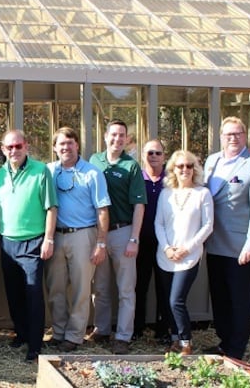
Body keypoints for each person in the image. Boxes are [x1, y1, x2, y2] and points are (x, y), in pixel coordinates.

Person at [203, 116, 250, 360]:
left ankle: (236, 350)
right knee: (220, 297)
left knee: (238, 301)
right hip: (213, 244)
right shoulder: (212, 161)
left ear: (244, 136)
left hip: (239, 248)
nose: (233, 138)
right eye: (228, 134)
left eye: (237, 133)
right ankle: (224, 343)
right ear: (221, 137)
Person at [0, 130, 57, 362]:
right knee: (14, 293)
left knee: (33, 293)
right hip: (8, 242)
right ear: (3, 149)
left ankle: (35, 344)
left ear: (26, 146)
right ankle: (21, 334)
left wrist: (48, 239)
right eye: (9, 147)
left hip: (34, 242)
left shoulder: (41, 171)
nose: (14, 151)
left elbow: (51, 207)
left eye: (18, 146)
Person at [45, 127, 110, 352]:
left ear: (77, 145)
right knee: (55, 288)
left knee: (81, 289)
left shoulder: (92, 173)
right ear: (55, 148)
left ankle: (74, 336)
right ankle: (58, 332)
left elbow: (103, 210)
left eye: (70, 143)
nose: (66, 148)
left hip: (83, 235)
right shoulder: (49, 171)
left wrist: (101, 243)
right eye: (61, 144)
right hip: (56, 236)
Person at [89, 119, 147, 355]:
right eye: (113, 134)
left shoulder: (131, 166)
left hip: (123, 232)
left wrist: (134, 238)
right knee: (100, 287)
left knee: (125, 289)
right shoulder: (94, 161)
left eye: (122, 135)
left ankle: (123, 336)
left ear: (127, 139)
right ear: (105, 136)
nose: (117, 139)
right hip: (98, 233)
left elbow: (139, 205)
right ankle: (101, 330)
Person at [155, 150, 213, 355]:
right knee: (166, 301)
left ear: (195, 169)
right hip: (166, 255)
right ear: (173, 169)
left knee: (176, 300)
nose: (185, 169)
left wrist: (187, 249)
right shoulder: (166, 194)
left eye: (189, 165)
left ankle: (186, 342)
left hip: (189, 257)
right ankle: (174, 339)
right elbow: (159, 224)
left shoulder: (202, 193)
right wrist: (166, 248)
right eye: (180, 166)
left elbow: (207, 226)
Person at [136, 139, 171, 343]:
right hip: (141, 241)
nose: (154, 156)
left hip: (165, 242)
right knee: (139, 286)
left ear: (164, 156)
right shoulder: (137, 178)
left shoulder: (172, 180)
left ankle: (163, 330)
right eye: (150, 153)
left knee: (164, 287)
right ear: (143, 156)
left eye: (158, 153)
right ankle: (137, 329)